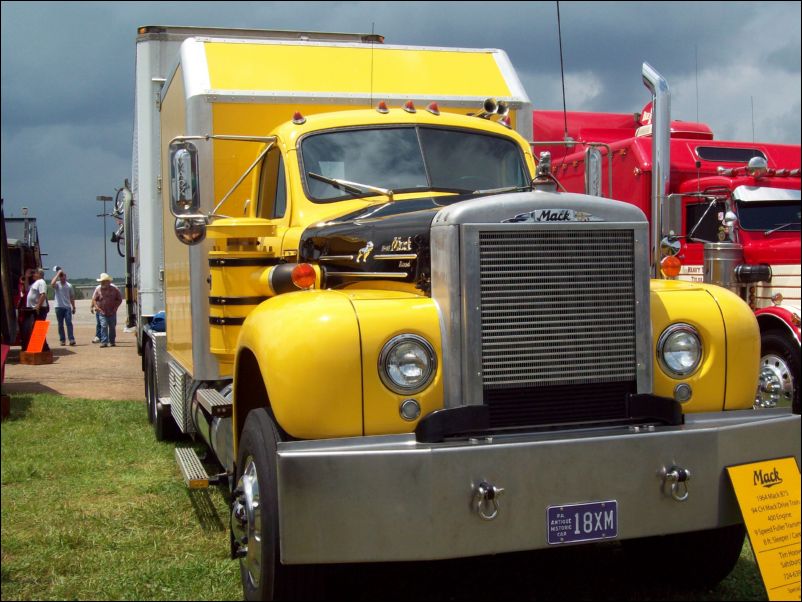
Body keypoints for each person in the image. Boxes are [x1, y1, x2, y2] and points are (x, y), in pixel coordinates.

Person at [92, 273, 122, 348]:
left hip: (112, 312)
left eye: (103, 281)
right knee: (104, 326)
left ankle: (112, 341)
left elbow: (119, 299)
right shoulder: (98, 290)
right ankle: (104, 341)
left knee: (112, 327)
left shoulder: (115, 289)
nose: (102, 283)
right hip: (102, 312)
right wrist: (96, 307)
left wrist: (115, 308)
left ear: (108, 282)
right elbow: (94, 300)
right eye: (101, 281)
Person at [24, 268, 50, 352]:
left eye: (35, 273)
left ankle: (43, 348)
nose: (33, 275)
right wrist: (27, 277)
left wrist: (38, 306)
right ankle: (40, 348)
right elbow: (26, 288)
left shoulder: (41, 282)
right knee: (36, 328)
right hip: (34, 308)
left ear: (40, 274)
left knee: (39, 328)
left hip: (40, 308)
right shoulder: (35, 283)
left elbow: (43, 294)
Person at [50, 268, 76, 346]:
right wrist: (57, 274)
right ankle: (62, 340)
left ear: (66, 277)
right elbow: (52, 284)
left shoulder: (69, 286)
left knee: (69, 323)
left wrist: (73, 307)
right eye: (61, 276)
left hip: (67, 307)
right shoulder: (57, 284)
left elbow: (72, 297)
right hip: (58, 307)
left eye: (63, 276)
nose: (62, 278)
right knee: (60, 324)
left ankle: (71, 339)